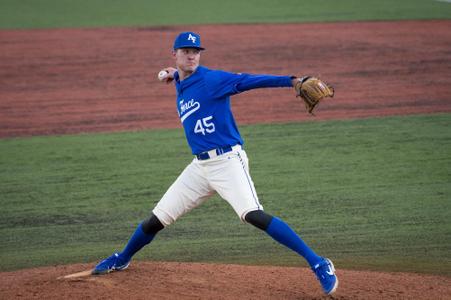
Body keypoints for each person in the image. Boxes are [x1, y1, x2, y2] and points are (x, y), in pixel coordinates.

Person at [92, 31, 338, 295]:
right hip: (199, 168)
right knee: (157, 219)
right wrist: (170, 74)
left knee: (252, 214)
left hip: (228, 161)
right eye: (186, 51)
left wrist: (292, 81)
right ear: (174, 54)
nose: (191, 55)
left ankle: (318, 262)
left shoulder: (212, 79)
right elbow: (180, 76)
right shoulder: (181, 81)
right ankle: (123, 258)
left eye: (196, 51)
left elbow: (249, 81)